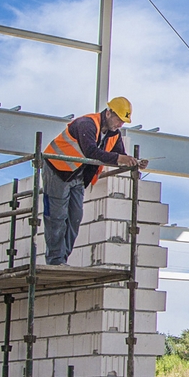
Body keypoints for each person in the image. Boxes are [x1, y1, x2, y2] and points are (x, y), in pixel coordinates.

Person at [40, 96, 147, 265]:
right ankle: (55, 260)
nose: (120, 124)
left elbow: (120, 155)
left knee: (75, 218)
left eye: (123, 121)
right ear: (109, 113)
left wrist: (133, 162)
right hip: (57, 170)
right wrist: (121, 158)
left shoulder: (113, 135)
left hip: (77, 175)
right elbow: (91, 151)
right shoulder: (87, 124)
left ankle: (62, 260)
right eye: (119, 119)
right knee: (57, 217)